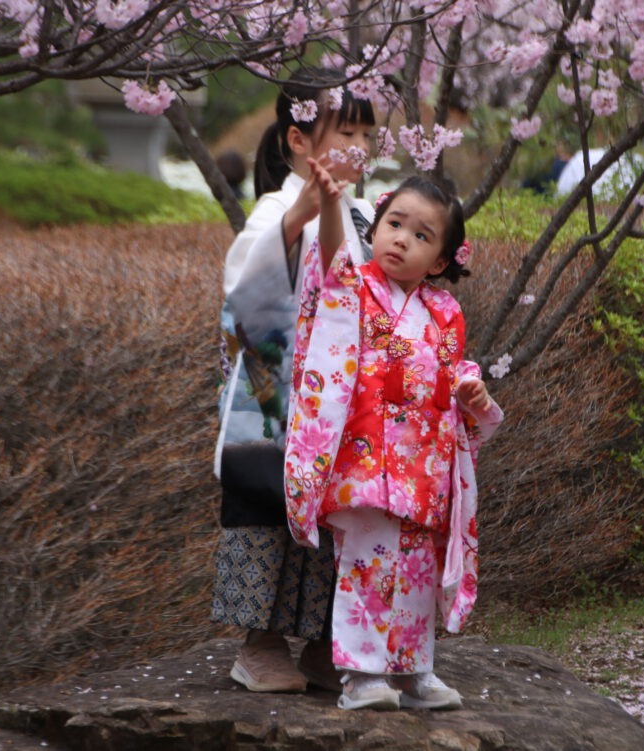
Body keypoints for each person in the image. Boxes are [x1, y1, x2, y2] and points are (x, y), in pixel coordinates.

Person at [284, 162, 504, 711]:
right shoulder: (355, 288)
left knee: (415, 570)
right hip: (365, 460)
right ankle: (361, 675)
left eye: (422, 236)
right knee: (369, 564)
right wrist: (330, 206)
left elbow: (450, 373)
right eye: (395, 224)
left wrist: (471, 391)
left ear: (442, 260)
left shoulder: (444, 312)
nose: (402, 240)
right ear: (376, 227)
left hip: (422, 467)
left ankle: (411, 671)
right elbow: (331, 263)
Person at [211, 67, 376, 694]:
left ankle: (323, 642)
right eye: (346, 133)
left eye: (366, 134)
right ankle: (259, 643)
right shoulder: (277, 208)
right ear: (299, 140)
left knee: (338, 513)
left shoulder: (366, 214)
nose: (359, 147)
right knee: (268, 505)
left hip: (342, 394)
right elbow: (242, 290)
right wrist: (296, 220)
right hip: (276, 393)